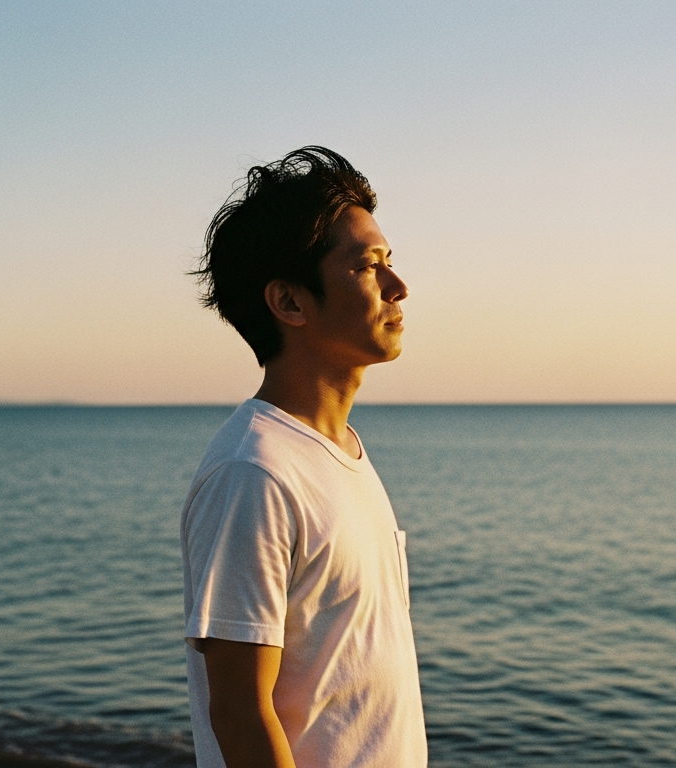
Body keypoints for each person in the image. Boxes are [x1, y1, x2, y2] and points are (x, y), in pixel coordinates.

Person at [181, 146, 427, 767]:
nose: (399, 287)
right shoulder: (255, 473)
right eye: (370, 267)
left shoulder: (339, 454)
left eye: (389, 262)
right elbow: (239, 713)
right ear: (290, 303)